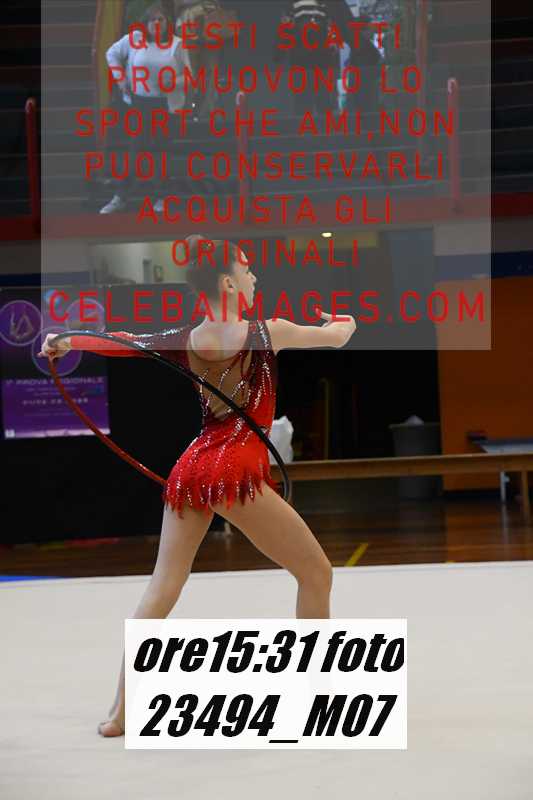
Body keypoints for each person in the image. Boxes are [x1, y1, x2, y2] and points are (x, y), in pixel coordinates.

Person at [38, 236, 357, 738]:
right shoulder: (268, 332)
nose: (254, 278)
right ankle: (316, 695)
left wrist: (66, 340)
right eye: (247, 271)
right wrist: (345, 322)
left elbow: (123, 342)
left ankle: (120, 714)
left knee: (163, 587)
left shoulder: (186, 339)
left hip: (192, 469)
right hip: (235, 473)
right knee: (316, 573)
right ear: (228, 282)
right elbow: (336, 338)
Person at [99, 2, 191, 214]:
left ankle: (161, 196)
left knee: (159, 152)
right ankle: (120, 197)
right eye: (153, 20)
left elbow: (189, 76)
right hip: (138, 104)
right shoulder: (135, 40)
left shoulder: (177, 44)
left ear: (167, 23)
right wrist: (120, 78)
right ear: (146, 23)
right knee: (134, 152)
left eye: (161, 19)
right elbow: (111, 54)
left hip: (164, 106)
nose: (157, 23)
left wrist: (173, 82)